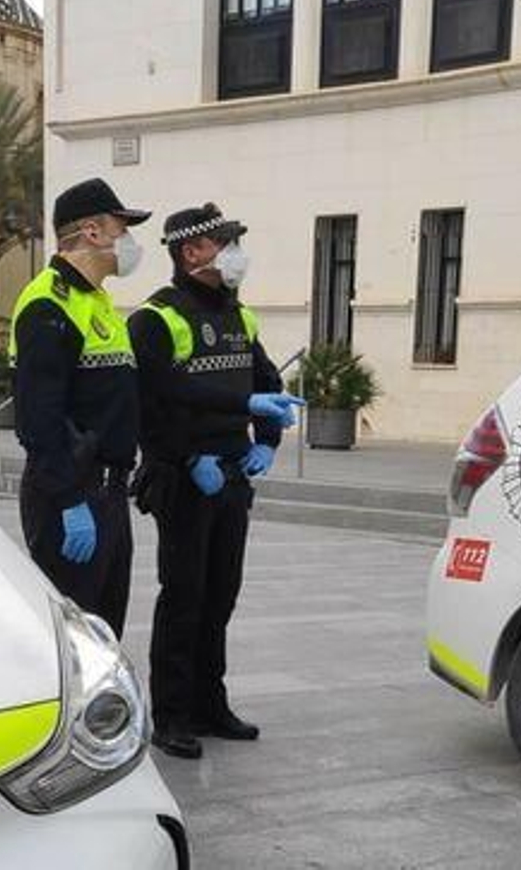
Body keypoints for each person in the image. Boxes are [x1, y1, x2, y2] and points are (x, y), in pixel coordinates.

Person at [128, 203, 302, 759]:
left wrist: (267, 442)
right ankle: (173, 715)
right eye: (224, 243)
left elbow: (266, 381)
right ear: (191, 252)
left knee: (221, 595)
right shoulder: (156, 318)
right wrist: (185, 458)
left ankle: (210, 704)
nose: (234, 254)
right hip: (185, 478)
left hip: (231, 474)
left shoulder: (238, 315)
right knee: (184, 597)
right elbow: (154, 402)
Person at [8, 178, 149, 637]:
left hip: (109, 492)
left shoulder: (97, 301)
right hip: (71, 496)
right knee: (75, 641)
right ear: (92, 231)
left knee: (105, 635)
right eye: (122, 229)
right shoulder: (47, 304)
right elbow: (38, 418)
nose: (127, 241)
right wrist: (69, 501)